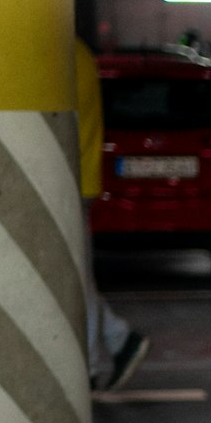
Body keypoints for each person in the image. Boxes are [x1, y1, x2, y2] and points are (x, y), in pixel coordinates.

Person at [74, 37, 147, 393]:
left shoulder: (62, 54)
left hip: (69, 181)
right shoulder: (77, 54)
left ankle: (90, 364)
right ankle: (119, 339)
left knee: (77, 279)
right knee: (77, 275)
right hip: (79, 178)